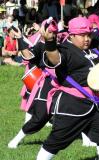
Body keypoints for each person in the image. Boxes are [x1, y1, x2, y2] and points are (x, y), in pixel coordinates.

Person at [35, 16, 99, 160]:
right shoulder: (64, 50)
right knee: (57, 140)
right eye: (82, 35)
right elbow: (54, 59)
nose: (87, 39)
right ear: (72, 35)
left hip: (97, 103)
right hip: (72, 106)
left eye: (89, 35)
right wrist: (50, 42)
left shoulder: (94, 45)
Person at [7, 19, 57, 148]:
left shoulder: (64, 44)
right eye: (49, 31)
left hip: (65, 85)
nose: (53, 34)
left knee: (77, 110)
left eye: (54, 31)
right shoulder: (40, 45)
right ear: (43, 31)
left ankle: (87, 141)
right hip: (46, 84)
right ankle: (16, 140)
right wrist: (19, 38)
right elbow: (28, 56)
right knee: (38, 117)